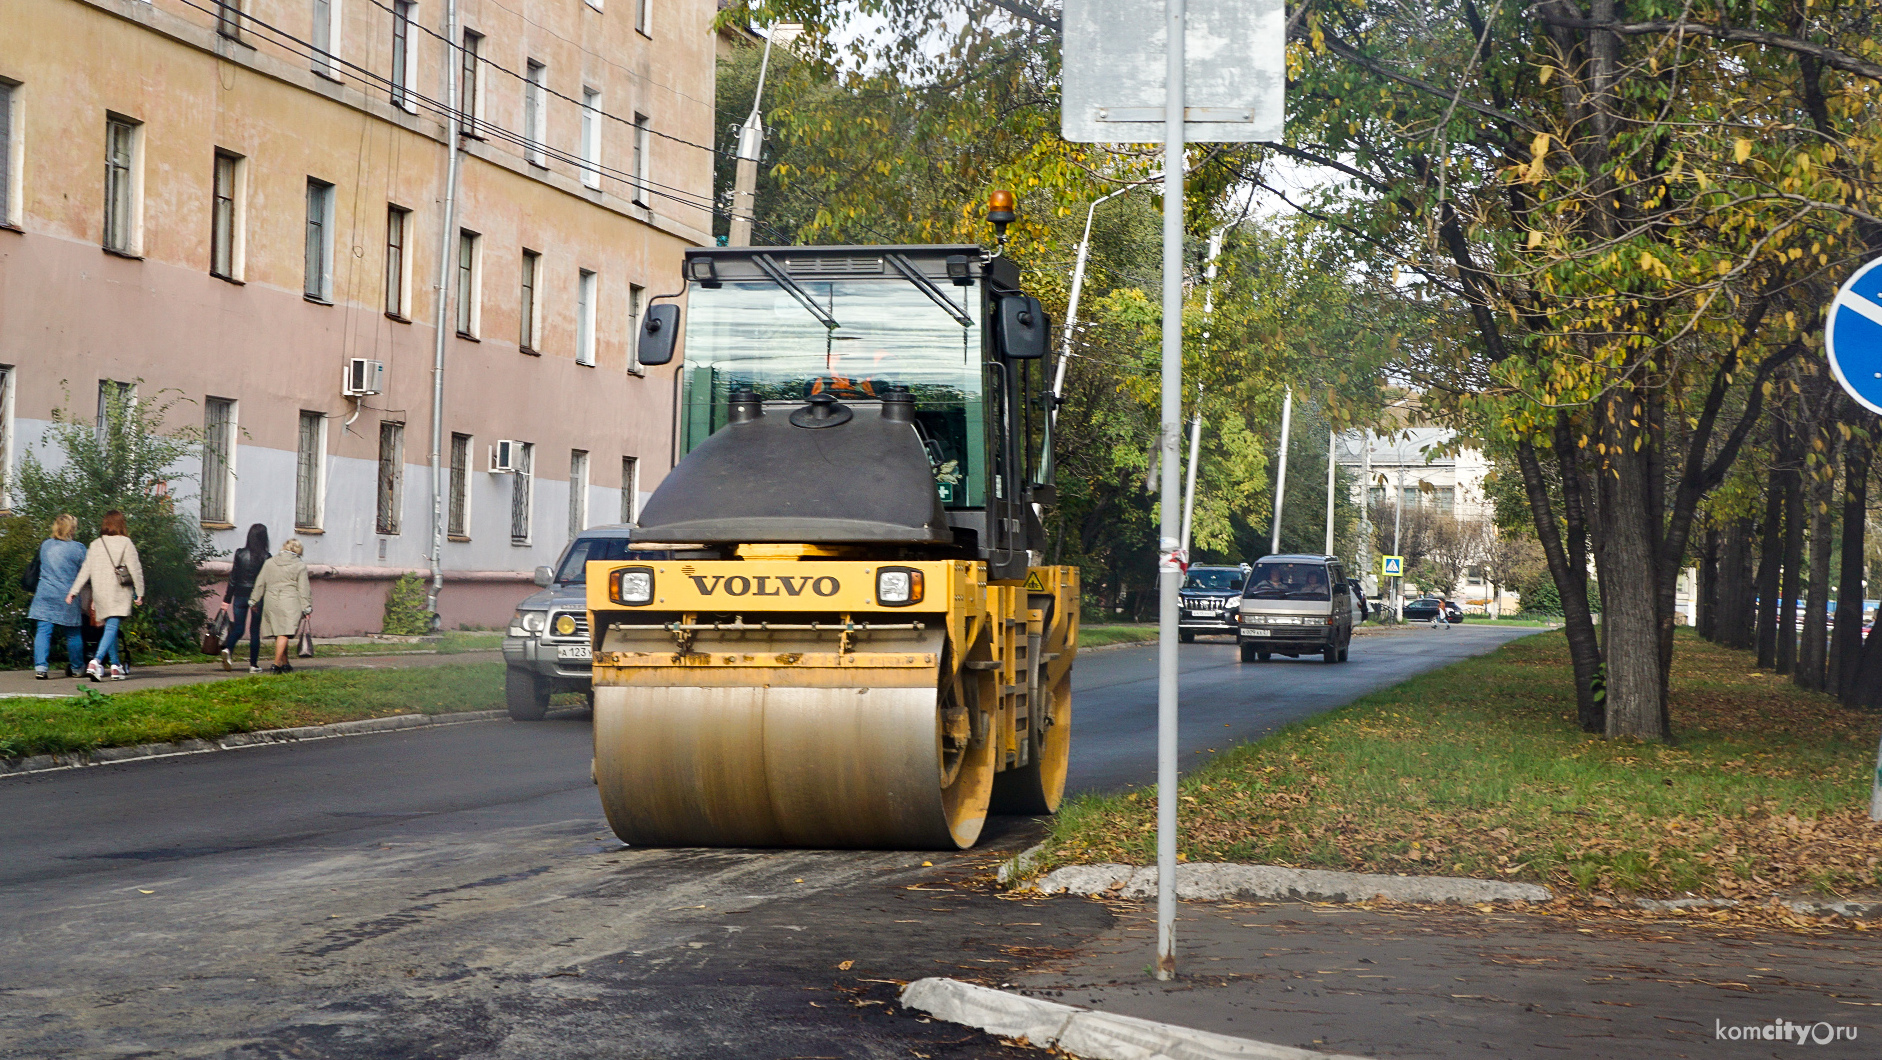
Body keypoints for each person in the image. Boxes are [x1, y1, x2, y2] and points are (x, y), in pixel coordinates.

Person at [66, 510, 144, 681]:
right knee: (112, 626)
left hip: (100, 592)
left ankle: (115, 666)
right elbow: (135, 569)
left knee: (111, 628)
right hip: (119, 592)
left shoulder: (95, 544)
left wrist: (74, 591)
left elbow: (86, 569)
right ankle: (96, 661)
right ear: (121, 524)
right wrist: (140, 592)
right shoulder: (126, 543)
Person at [28, 514, 88, 679]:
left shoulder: (46, 545)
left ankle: (41, 668)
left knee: (44, 631)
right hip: (67, 595)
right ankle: (77, 667)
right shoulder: (79, 548)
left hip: (45, 593)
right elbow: (87, 571)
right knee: (73, 632)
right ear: (72, 528)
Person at [251, 538, 311, 674]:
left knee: (279, 633)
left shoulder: (270, 563)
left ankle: (285, 663)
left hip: (271, 601)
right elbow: (304, 589)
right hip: (290, 601)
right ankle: (276, 665)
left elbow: (260, 583)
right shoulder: (299, 565)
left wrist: (253, 600)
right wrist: (307, 607)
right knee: (285, 633)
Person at [220, 524, 270, 673]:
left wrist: (226, 599)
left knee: (239, 628)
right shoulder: (266, 557)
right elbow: (266, 580)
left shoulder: (240, 554)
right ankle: (253, 665)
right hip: (257, 597)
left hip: (240, 595)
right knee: (254, 630)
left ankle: (228, 649)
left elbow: (233, 578)